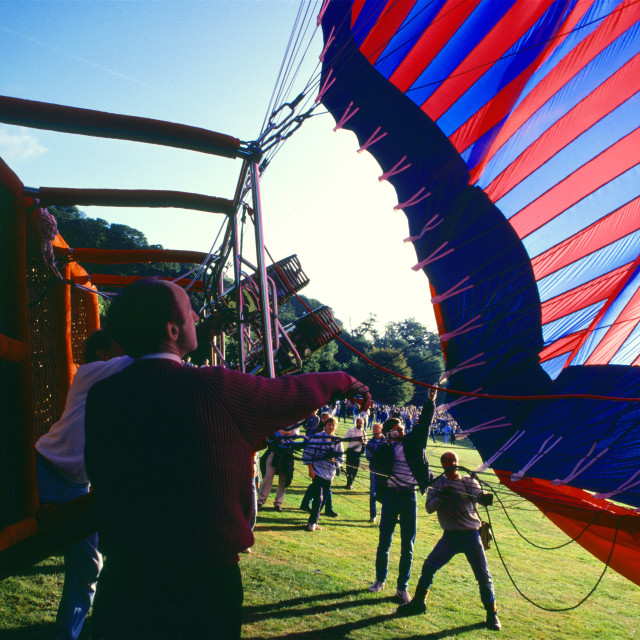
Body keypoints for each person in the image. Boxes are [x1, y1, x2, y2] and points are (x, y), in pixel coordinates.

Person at [83, 278, 369, 640]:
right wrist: (342, 379)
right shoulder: (216, 388)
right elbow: (287, 392)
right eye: (189, 311)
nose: (197, 316)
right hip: (202, 584)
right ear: (172, 330)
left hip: (124, 580)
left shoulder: (103, 396)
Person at [35, 330, 132, 640]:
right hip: (41, 471)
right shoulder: (91, 373)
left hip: (77, 486)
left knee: (88, 569)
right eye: (121, 345)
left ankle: (66, 635)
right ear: (102, 354)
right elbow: (144, 359)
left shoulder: (115, 384)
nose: (126, 350)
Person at [396, 450, 501, 631]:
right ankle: (419, 603)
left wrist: (484, 498)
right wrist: (441, 497)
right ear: (443, 465)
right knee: (429, 566)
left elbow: (480, 497)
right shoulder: (437, 484)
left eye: (454, 460)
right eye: (448, 461)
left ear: (458, 463)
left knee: (483, 576)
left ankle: (492, 615)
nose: (452, 464)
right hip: (450, 537)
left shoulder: (468, 481)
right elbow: (429, 508)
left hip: (471, 535)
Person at [369, 388, 437, 604]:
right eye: (396, 429)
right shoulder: (386, 449)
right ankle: (380, 580)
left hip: (409, 498)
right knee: (384, 542)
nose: (400, 431)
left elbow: (424, 424)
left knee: (407, 545)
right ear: (389, 433)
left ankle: (402, 588)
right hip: (390, 497)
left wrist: (430, 402)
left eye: (401, 428)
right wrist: (385, 442)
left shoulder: (414, 443)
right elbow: (373, 458)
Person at [302, 417, 343, 532]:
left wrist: (335, 462)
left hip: (329, 474)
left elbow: (341, 458)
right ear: (325, 425)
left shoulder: (337, 441)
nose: (331, 427)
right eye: (329, 424)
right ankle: (311, 523)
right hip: (317, 472)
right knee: (318, 498)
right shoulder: (317, 437)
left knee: (324, 499)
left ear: (336, 427)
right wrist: (311, 469)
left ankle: (315, 521)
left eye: (333, 425)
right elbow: (308, 453)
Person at [257, 426, 296, 512]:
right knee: (268, 476)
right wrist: (285, 433)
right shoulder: (277, 421)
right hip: (274, 452)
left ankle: (278, 503)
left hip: (287, 454)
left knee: (283, 479)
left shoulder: (294, 424)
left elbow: (294, 435)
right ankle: (260, 501)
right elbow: (272, 435)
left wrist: (284, 433)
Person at [364, 422, 384, 523]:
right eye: (374, 429)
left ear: (381, 430)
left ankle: (385, 515)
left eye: (377, 429)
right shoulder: (370, 443)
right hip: (374, 470)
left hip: (385, 471)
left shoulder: (386, 441)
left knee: (385, 493)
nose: (375, 431)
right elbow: (368, 456)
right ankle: (373, 515)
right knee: (373, 492)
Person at [344, 417, 367, 489]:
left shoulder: (363, 432)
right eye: (359, 423)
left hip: (358, 453)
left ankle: (350, 483)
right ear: (356, 423)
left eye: (362, 423)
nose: (360, 424)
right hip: (350, 452)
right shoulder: (351, 430)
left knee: (356, 469)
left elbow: (366, 442)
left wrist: (362, 441)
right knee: (349, 469)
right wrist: (354, 439)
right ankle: (349, 484)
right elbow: (345, 439)